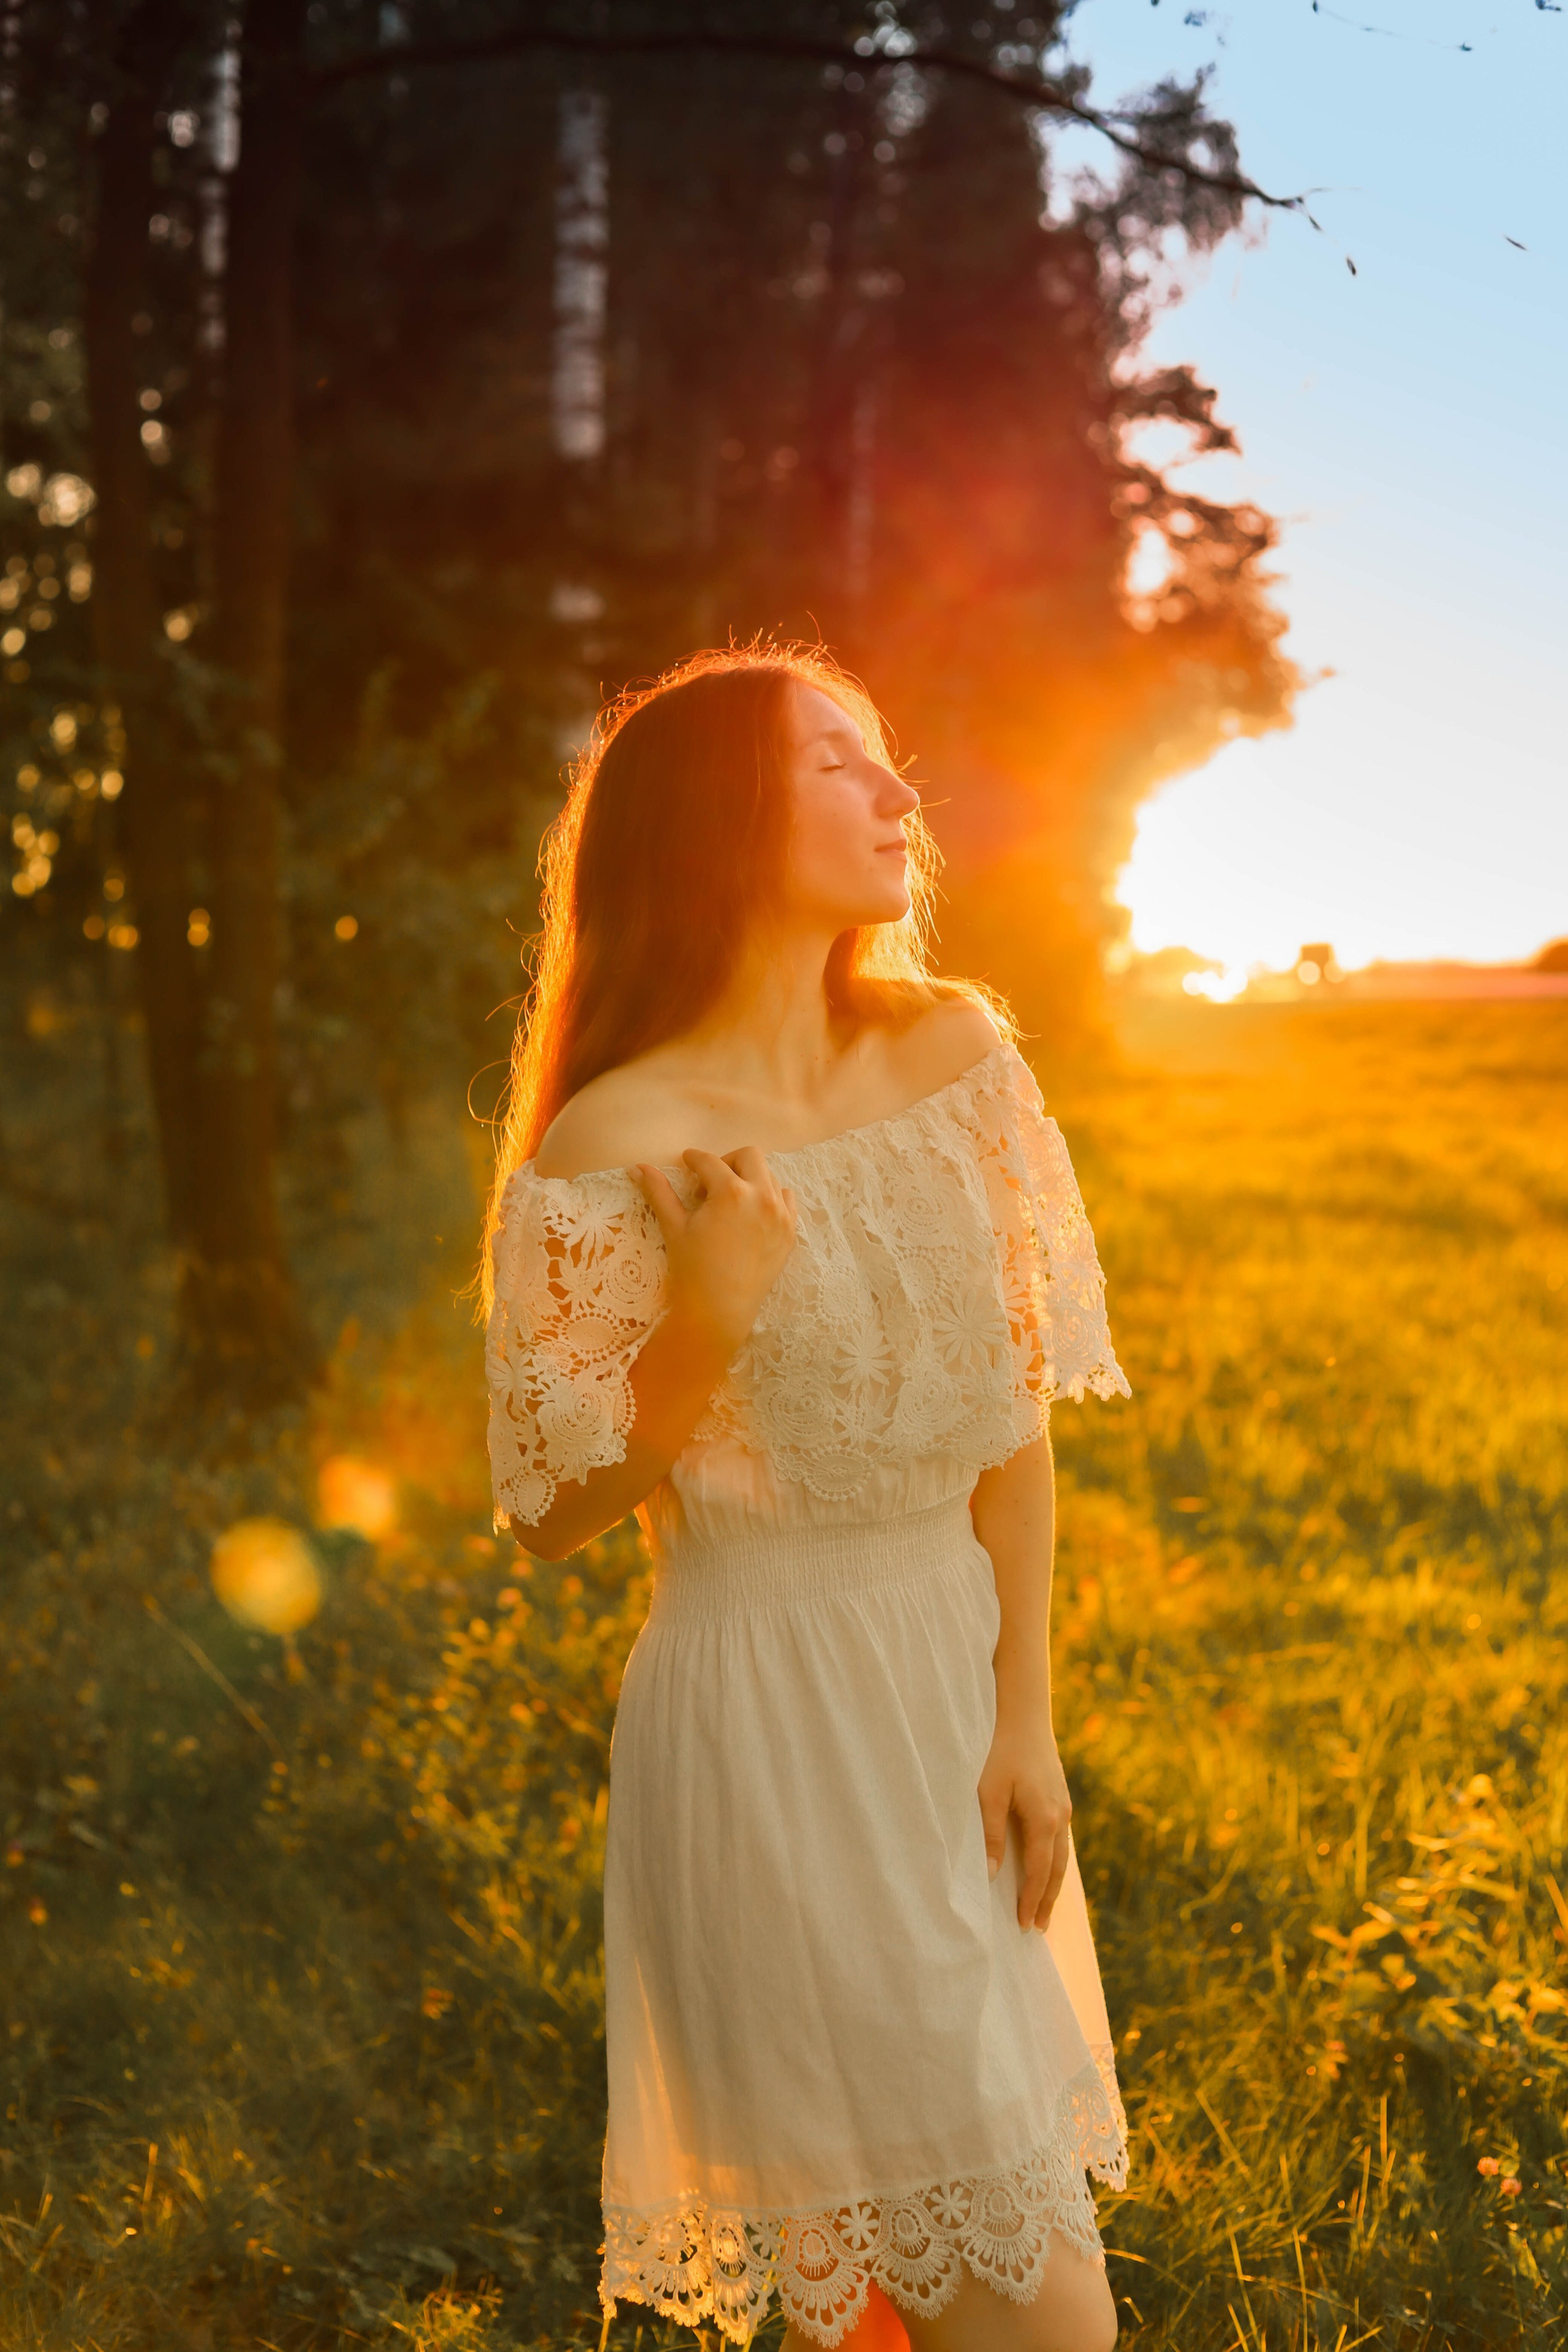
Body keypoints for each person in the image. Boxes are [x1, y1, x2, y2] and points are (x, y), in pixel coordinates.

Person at [483, 645, 1131, 2352]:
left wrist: (1027, 1723)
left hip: (953, 1699)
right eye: (837, 765)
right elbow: (551, 1505)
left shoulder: (958, 1055)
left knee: (909, 2306)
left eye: (885, 759)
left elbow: (1014, 1428)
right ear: (714, 823)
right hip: (763, 1726)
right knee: (1034, 2323)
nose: (898, 796)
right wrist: (706, 1314)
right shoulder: (617, 1140)